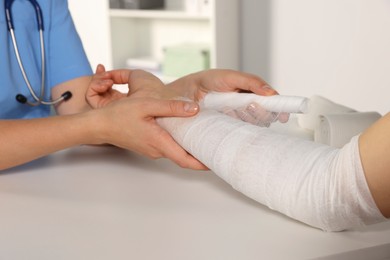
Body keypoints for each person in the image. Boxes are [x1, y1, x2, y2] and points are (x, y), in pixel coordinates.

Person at [0, 0, 278, 171]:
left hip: (46, 177)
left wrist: (181, 95)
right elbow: (91, 124)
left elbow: (78, 108)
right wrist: (100, 124)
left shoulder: (42, 3)